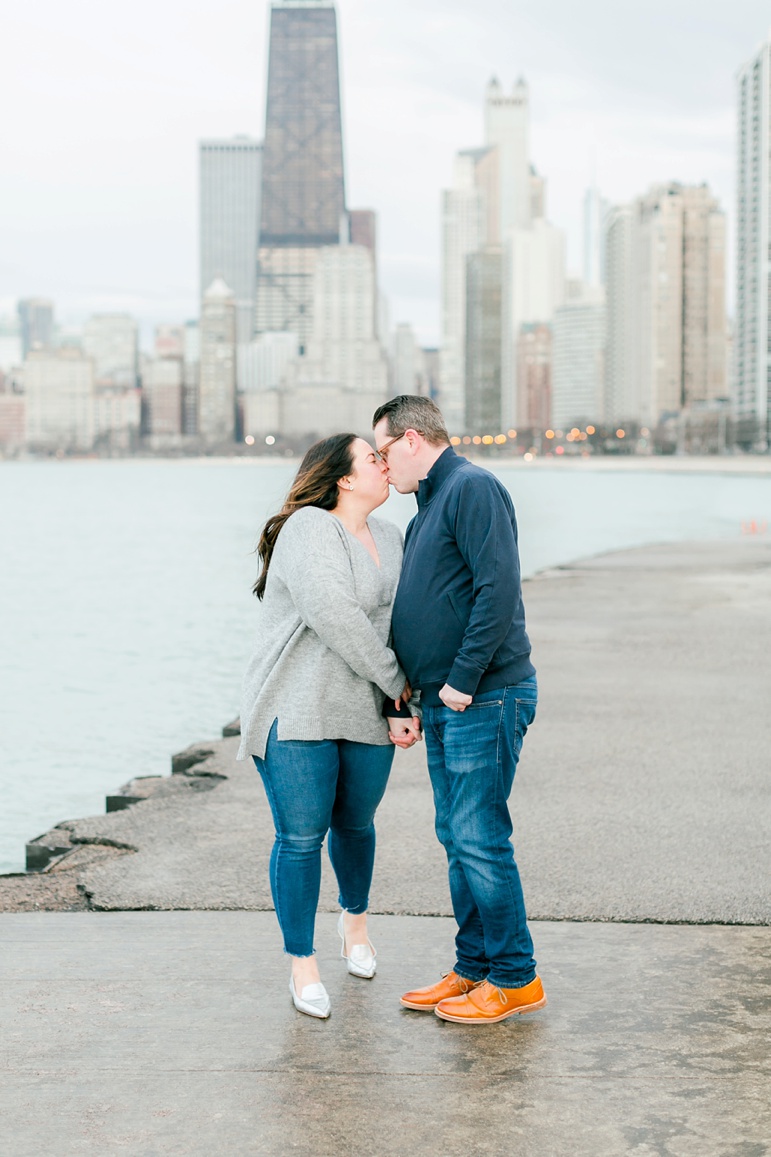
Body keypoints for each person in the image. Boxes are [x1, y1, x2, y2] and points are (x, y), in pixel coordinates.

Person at [373, 396, 546, 1025]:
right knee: (457, 837)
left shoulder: (473, 488)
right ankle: (473, 968)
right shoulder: (427, 510)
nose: (380, 465)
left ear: (413, 440)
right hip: (446, 698)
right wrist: (415, 693)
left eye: (383, 451)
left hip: (483, 695)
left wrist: (461, 683)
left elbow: (497, 589)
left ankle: (515, 977)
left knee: (479, 837)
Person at [237, 434, 418, 1019]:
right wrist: (398, 683)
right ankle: (303, 966)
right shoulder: (309, 529)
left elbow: (398, 625)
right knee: (300, 838)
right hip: (298, 705)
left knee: (357, 825)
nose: (384, 466)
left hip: (365, 704)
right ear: (342, 477)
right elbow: (333, 614)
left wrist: (396, 703)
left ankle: (356, 926)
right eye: (373, 459)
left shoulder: (391, 537)